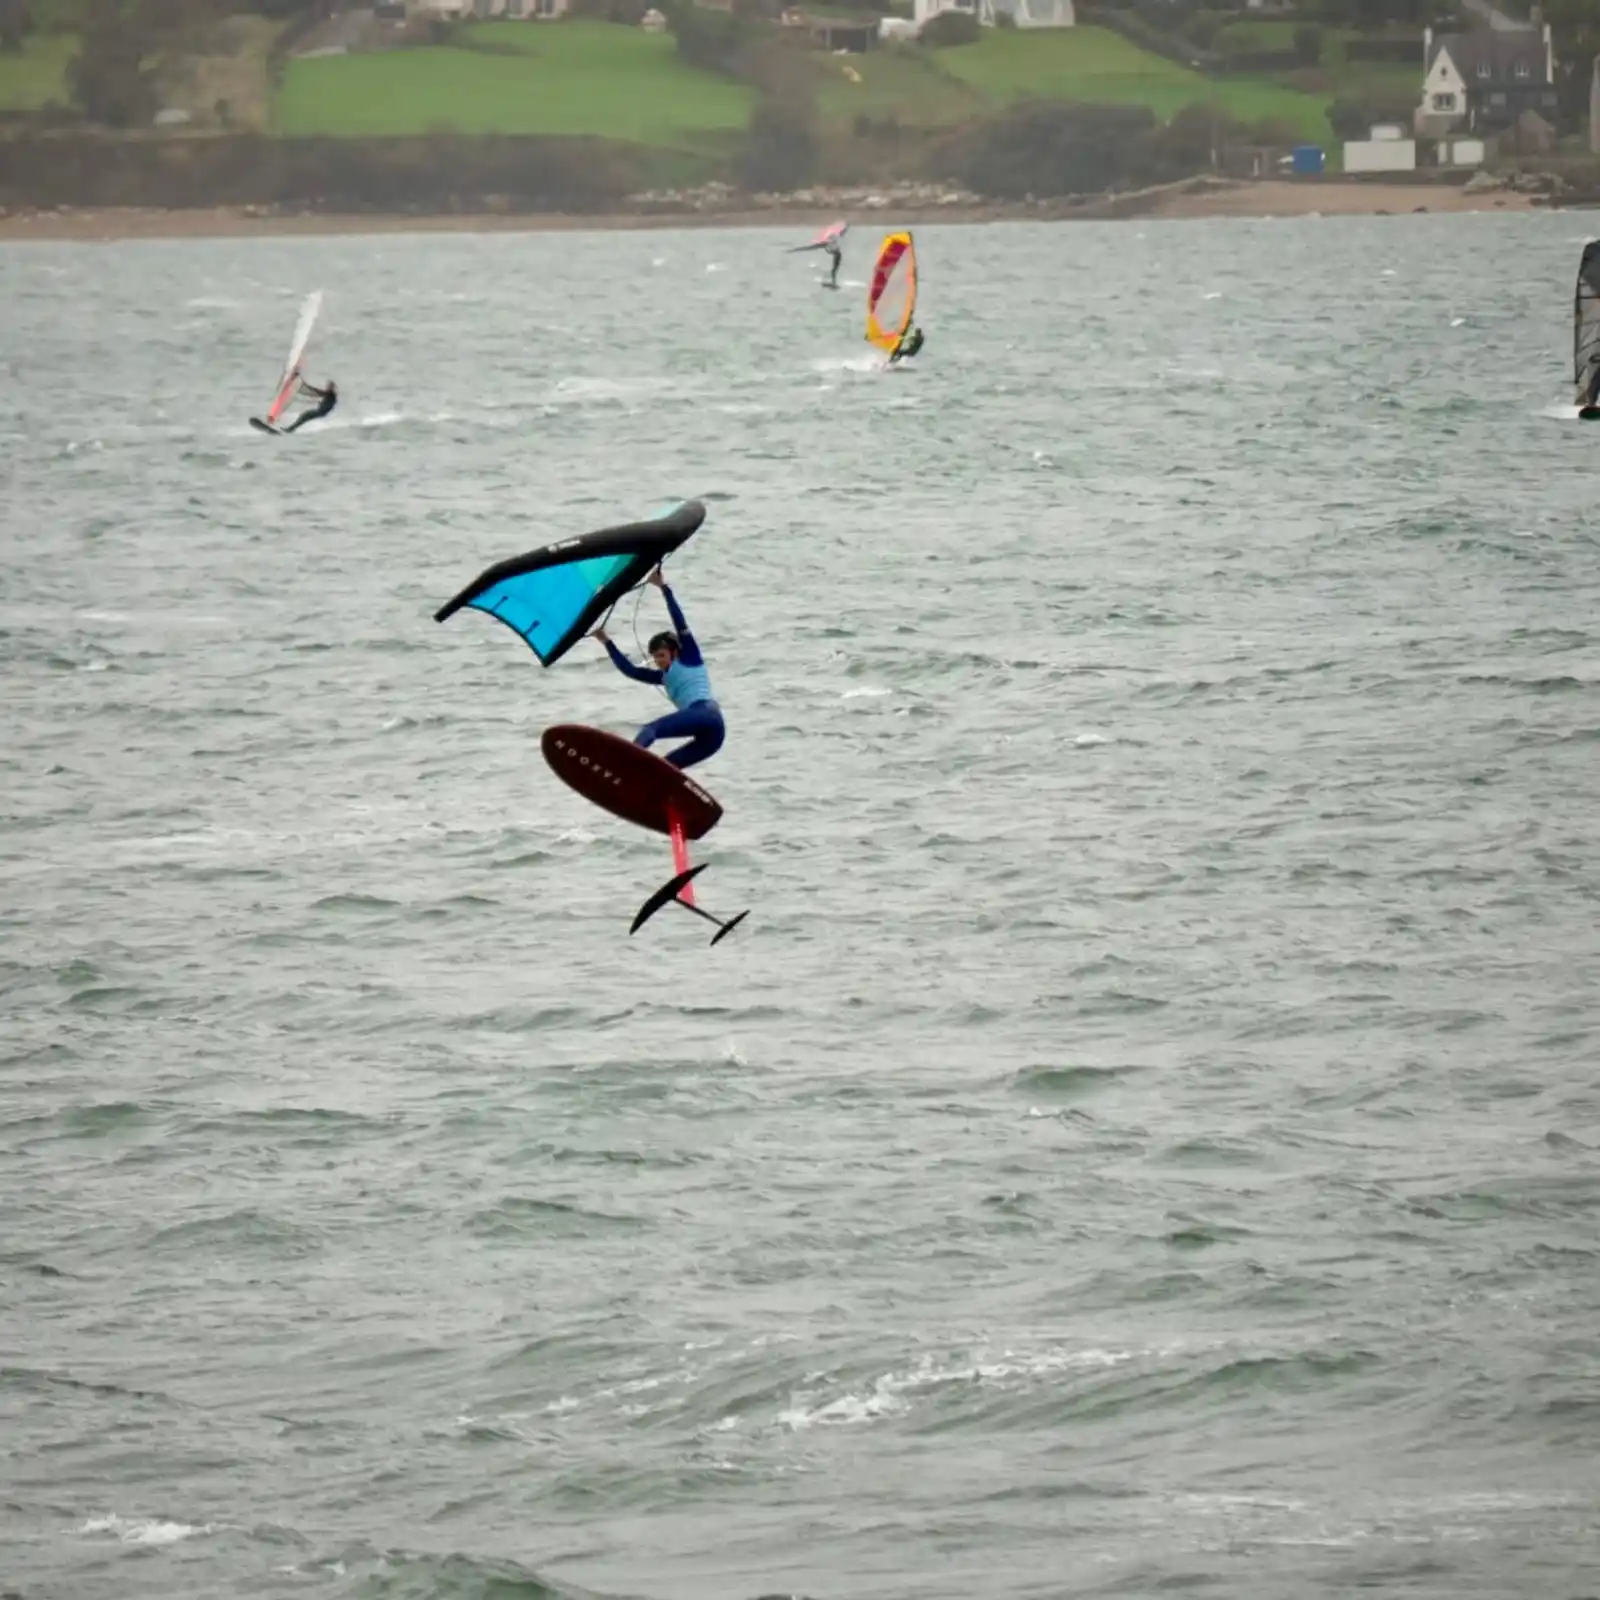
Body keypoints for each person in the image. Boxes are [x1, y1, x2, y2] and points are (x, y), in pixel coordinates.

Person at [592, 569, 725, 770]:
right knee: (666, 768)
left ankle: (625, 765)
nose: (658, 661)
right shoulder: (663, 678)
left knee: (650, 729)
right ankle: (646, 788)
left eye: (661, 655)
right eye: (655, 657)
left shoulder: (689, 657)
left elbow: (679, 622)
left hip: (707, 714)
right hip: (711, 736)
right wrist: (606, 641)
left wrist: (663, 587)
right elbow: (630, 671)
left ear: (674, 652)